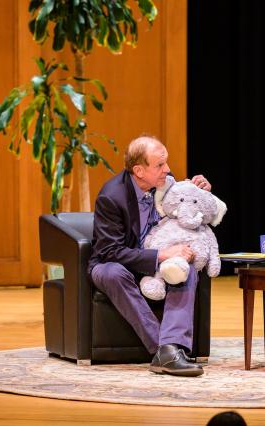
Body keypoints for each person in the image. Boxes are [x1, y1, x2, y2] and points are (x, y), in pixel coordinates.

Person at [88, 135, 213, 377]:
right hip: (113, 264)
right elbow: (109, 251)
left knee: (185, 267)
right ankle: (165, 351)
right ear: (139, 170)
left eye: (166, 163)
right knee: (112, 273)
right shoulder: (111, 197)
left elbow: (187, 204)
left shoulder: (166, 183)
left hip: (156, 264)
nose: (167, 170)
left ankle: (172, 347)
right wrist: (161, 255)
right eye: (159, 165)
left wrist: (200, 192)